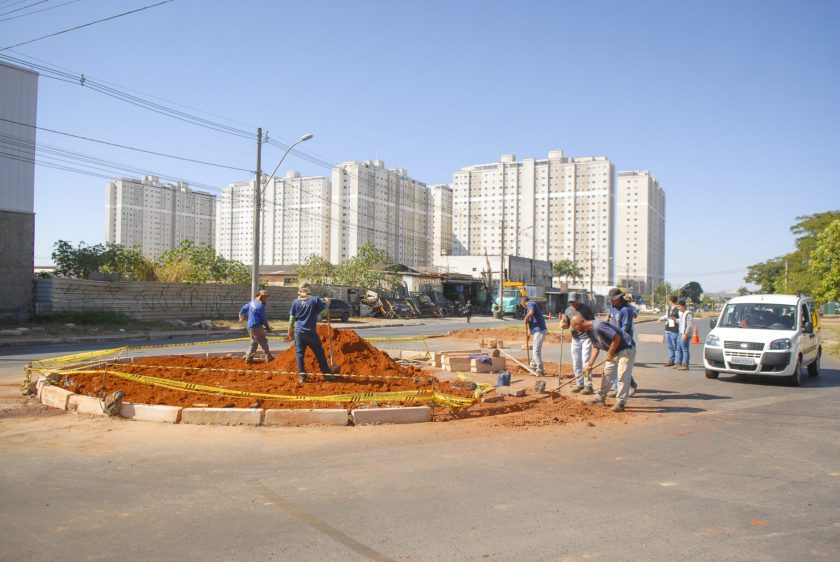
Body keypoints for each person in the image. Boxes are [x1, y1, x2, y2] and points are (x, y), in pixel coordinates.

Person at [571, 315, 636, 412]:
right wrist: (589, 365)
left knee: (622, 376)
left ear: (578, 324)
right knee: (607, 374)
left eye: (574, 327)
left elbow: (616, 338)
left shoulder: (598, 326)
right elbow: (595, 347)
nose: (576, 330)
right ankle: (599, 398)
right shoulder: (589, 331)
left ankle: (620, 403)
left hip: (625, 349)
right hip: (614, 351)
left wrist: (610, 353)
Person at [288, 284, 335, 382]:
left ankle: (302, 377)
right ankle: (326, 375)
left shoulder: (295, 302)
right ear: (309, 292)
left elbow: (292, 318)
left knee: (299, 355)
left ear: (299, 293)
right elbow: (324, 313)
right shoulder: (315, 299)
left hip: (298, 332)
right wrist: (327, 304)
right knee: (319, 353)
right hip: (310, 332)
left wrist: (290, 330)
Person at [560, 292, 594, 394]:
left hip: (586, 338)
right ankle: (579, 383)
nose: (572, 304)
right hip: (575, 339)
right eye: (570, 302)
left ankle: (588, 385)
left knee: (586, 363)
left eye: (574, 302)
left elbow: (592, 322)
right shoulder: (568, 310)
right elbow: (566, 325)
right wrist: (563, 324)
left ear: (578, 300)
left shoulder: (586, 309)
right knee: (576, 363)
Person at [606, 288, 638, 396]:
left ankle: (629, 386)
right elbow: (610, 319)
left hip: (623, 342)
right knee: (615, 366)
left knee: (622, 368)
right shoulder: (612, 307)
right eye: (611, 299)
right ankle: (617, 389)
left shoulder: (626, 310)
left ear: (620, 298)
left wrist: (616, 339)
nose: (612, 301)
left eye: (613, 299)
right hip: (614, 340)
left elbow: (625, 329)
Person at [239, 290, 275, 364]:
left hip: (250, 326)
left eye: (266, 297)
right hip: (256, 327)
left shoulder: (252, 303)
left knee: (254, 342)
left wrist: (241, 317)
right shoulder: (260, 306)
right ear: (261, 297)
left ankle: (248, 358)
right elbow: (264, 319)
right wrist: (268, 328)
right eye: (265, 297)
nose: (266, 299)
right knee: (263, 342)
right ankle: (269, 358)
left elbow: (242, 310)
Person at [521, 295, 547, 376]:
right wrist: (529, 333)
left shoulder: (530, 304)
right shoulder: (529, 307)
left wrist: (526, 318)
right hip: (537, 331)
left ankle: (540, 369)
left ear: (523, 302)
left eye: (521, 303)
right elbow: (531, 321)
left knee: (536, 350)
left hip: (540, 330)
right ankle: (533, 366)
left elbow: (531, 313)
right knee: (535, 349)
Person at [659, 295, 680, 366]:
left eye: (669, 300)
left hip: (675, 329)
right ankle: (671, 361)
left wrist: (676, 320)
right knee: (670, 346)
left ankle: (677, 362)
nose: (669, 302)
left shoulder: (678, 309)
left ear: (671, 301)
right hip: (668, 328)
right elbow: (667, 316)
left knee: (675, 346)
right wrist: (661, 318)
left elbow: (682, 319)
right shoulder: (669, 308)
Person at [675, 299, 694, 371]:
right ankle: (678, 363)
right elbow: (681, 322)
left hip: (685, 334)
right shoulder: (682, 313)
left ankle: (685, 364)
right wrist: (675, 320)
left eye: (679, 306)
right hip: (680, 333)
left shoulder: (688, 313)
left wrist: (685, 334)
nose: (678, 308)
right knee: (678, 348)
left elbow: (689, 325)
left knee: (685, 349)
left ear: (683, 306)